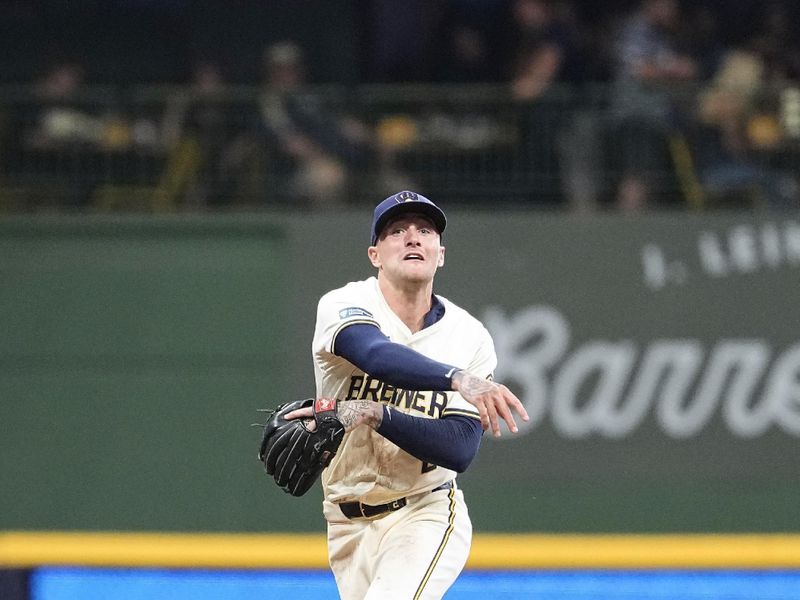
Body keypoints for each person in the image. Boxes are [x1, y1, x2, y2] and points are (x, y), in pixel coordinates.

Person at [284, 190, 529, 599]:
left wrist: (377, 413)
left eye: (424, 230)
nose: (412, 238)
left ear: (441, 253)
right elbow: (375, 355)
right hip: (346, 522)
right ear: (374, 254)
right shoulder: (344, 304)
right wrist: (457, 378)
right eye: (396, 231)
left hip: (425, 512)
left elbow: (459, 450)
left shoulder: (469, 336)